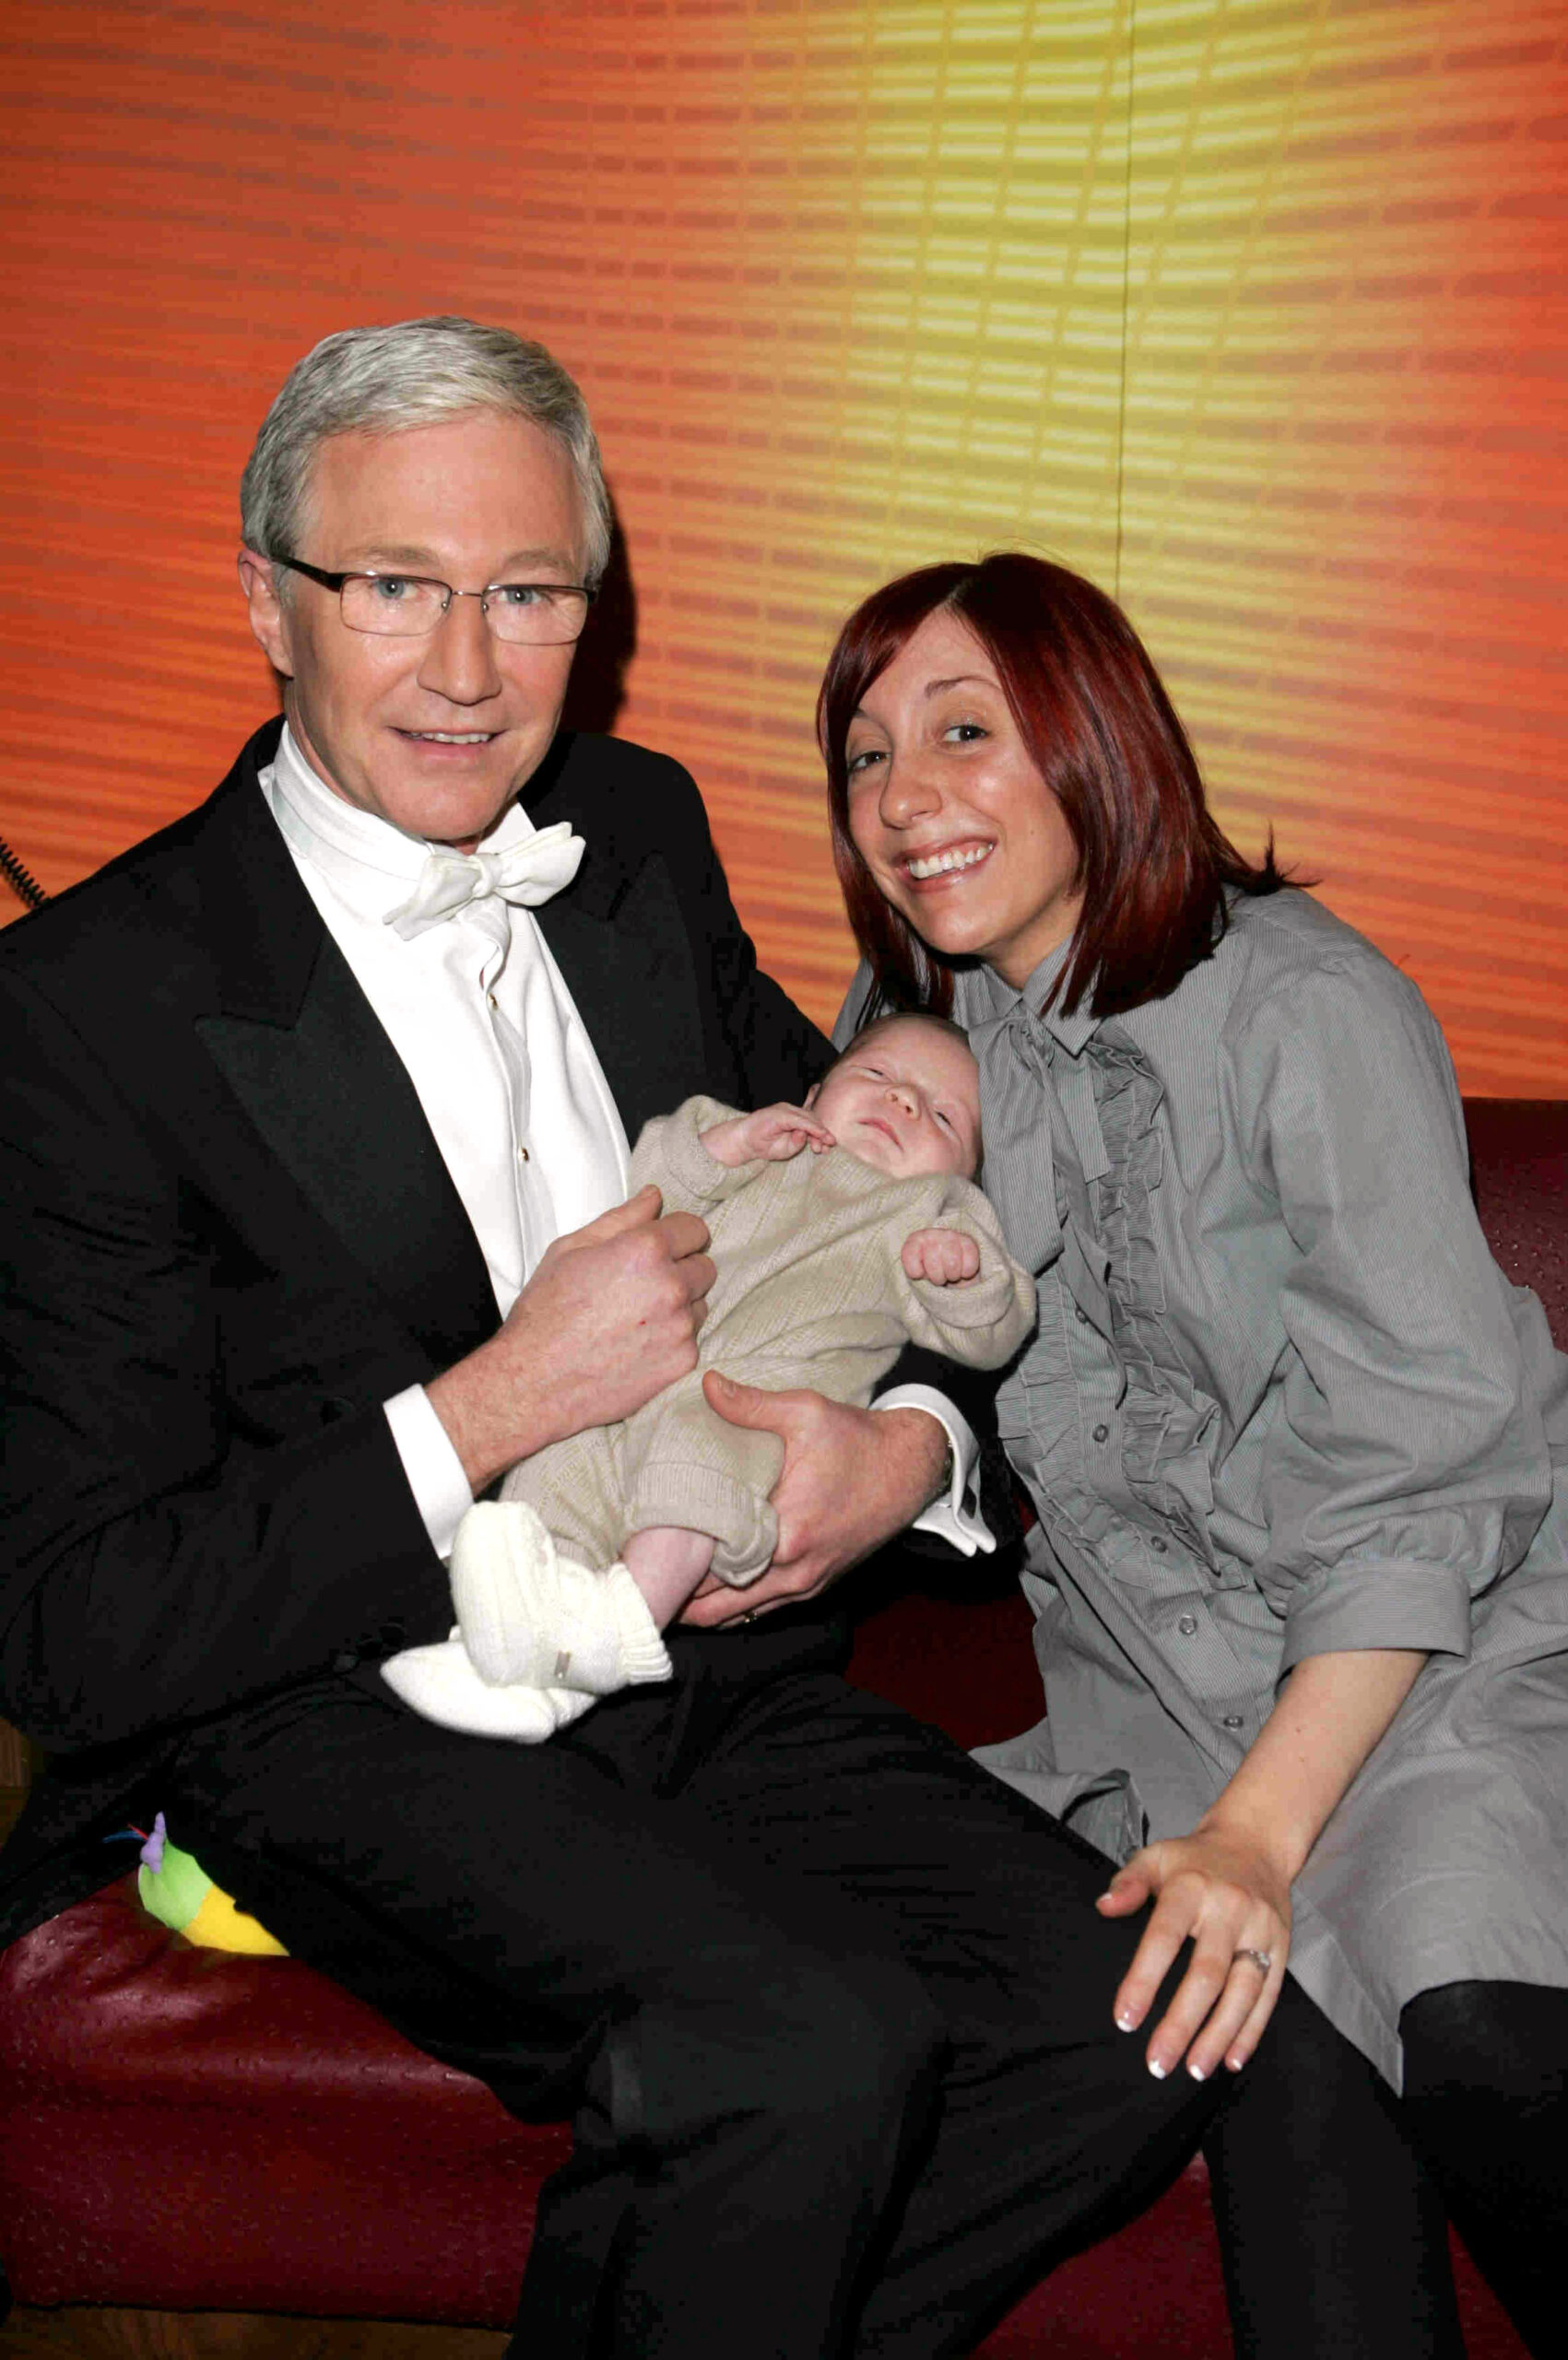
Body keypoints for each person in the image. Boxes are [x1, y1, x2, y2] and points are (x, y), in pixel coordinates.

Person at [0, 321, 1220, 2358]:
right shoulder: (82, 1007)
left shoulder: (633, 831)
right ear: (265, 604)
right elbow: (74, 1617)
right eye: (394, 586)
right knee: (797, 2044)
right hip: (339, 1691)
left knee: (1138, 2018)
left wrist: (906, 1445)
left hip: (702, 1635)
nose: (469, 669)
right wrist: (488, 1405)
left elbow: (883, 1197)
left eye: (530, 593)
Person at [819, 549, 1568, 2360]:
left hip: (1423, 1639)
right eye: (859, 754)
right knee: (1250, 2033)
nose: (903, 794)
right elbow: (852, 1340)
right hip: (1148, 1682)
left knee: (1461, 2028)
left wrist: (1255, 1826)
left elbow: (1426, 1468)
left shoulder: (1304, 1003)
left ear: (1095, 735)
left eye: (962, 730)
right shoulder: (908, 1041)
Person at [383, 1012, 1037, 1739]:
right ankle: (519, 1660)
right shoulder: (759, 1143)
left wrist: (961, 1273)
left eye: (942, 1115)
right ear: (814, 1092)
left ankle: (627, 1625)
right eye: (877, 1076)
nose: (904, 1102)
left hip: (754, 1407)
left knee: (697, 1462)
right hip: (633, 1376)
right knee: (560, 1460)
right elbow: (652, 1185)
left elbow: (995, 1325)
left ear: (966, 1176)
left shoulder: (932, 1213)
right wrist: (730, 1144)